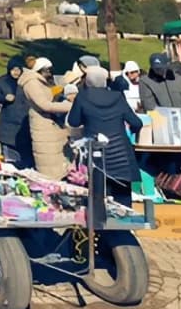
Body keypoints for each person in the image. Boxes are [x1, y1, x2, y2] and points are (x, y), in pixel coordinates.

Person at [68, 66, 143, 211]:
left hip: (96, 155)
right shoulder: (118, 97)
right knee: (123, 204)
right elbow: (136, 123)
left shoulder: (82, 97)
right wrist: (132, 134)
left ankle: (102, 230)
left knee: (98, 202)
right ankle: (124, 230)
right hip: (121, 155)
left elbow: (74, 121)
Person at [21, 57, 73, 178]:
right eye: (47, 70)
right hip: (42, 124)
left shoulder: (40, 81)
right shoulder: (31, 83)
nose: (50, 73)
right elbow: (44, 104)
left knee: (57, 157)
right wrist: (69, 106)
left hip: (50, 122)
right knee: (47, 159)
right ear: (40, 70)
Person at [0, 59, 33, 168]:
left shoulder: (26, 82)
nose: (16, 72)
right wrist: (4, 98)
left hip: (24, 121)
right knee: (9, 161)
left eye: (18, 70)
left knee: (25, 155)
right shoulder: (2, 81)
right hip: (8, 122)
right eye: (13, 70)